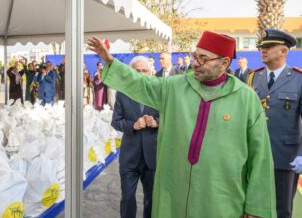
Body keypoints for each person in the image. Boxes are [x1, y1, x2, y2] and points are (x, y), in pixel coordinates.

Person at [88, 32, 276, 218]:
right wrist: (110, 60)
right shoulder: (174, 87)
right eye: (195, 56)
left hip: (220, 198)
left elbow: (260, 157)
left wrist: (256, 208)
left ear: (224, 63)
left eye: (204, 58)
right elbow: (141, 83)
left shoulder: (246, 99)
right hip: (175, 195)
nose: (195, 63)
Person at [246, 28, 302, 218]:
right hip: (254, 153)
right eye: (262, 47)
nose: (263, 50)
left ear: (284, 51)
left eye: (269, 47)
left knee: (281, 209)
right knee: (253, 206)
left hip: (285, 156)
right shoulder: (253, 77)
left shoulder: (298, 79)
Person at [112, 56, 159, 218]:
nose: (141, 74)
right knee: (127, 198)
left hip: (151, 157)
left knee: (151, 199)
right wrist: (132, 125)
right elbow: (115, 122)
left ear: (150, 72)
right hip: (129, 157)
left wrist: (157, 122)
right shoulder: (122, 94)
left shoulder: (158, 93)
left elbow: (170, 118)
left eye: (144, 71)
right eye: (137, 71)